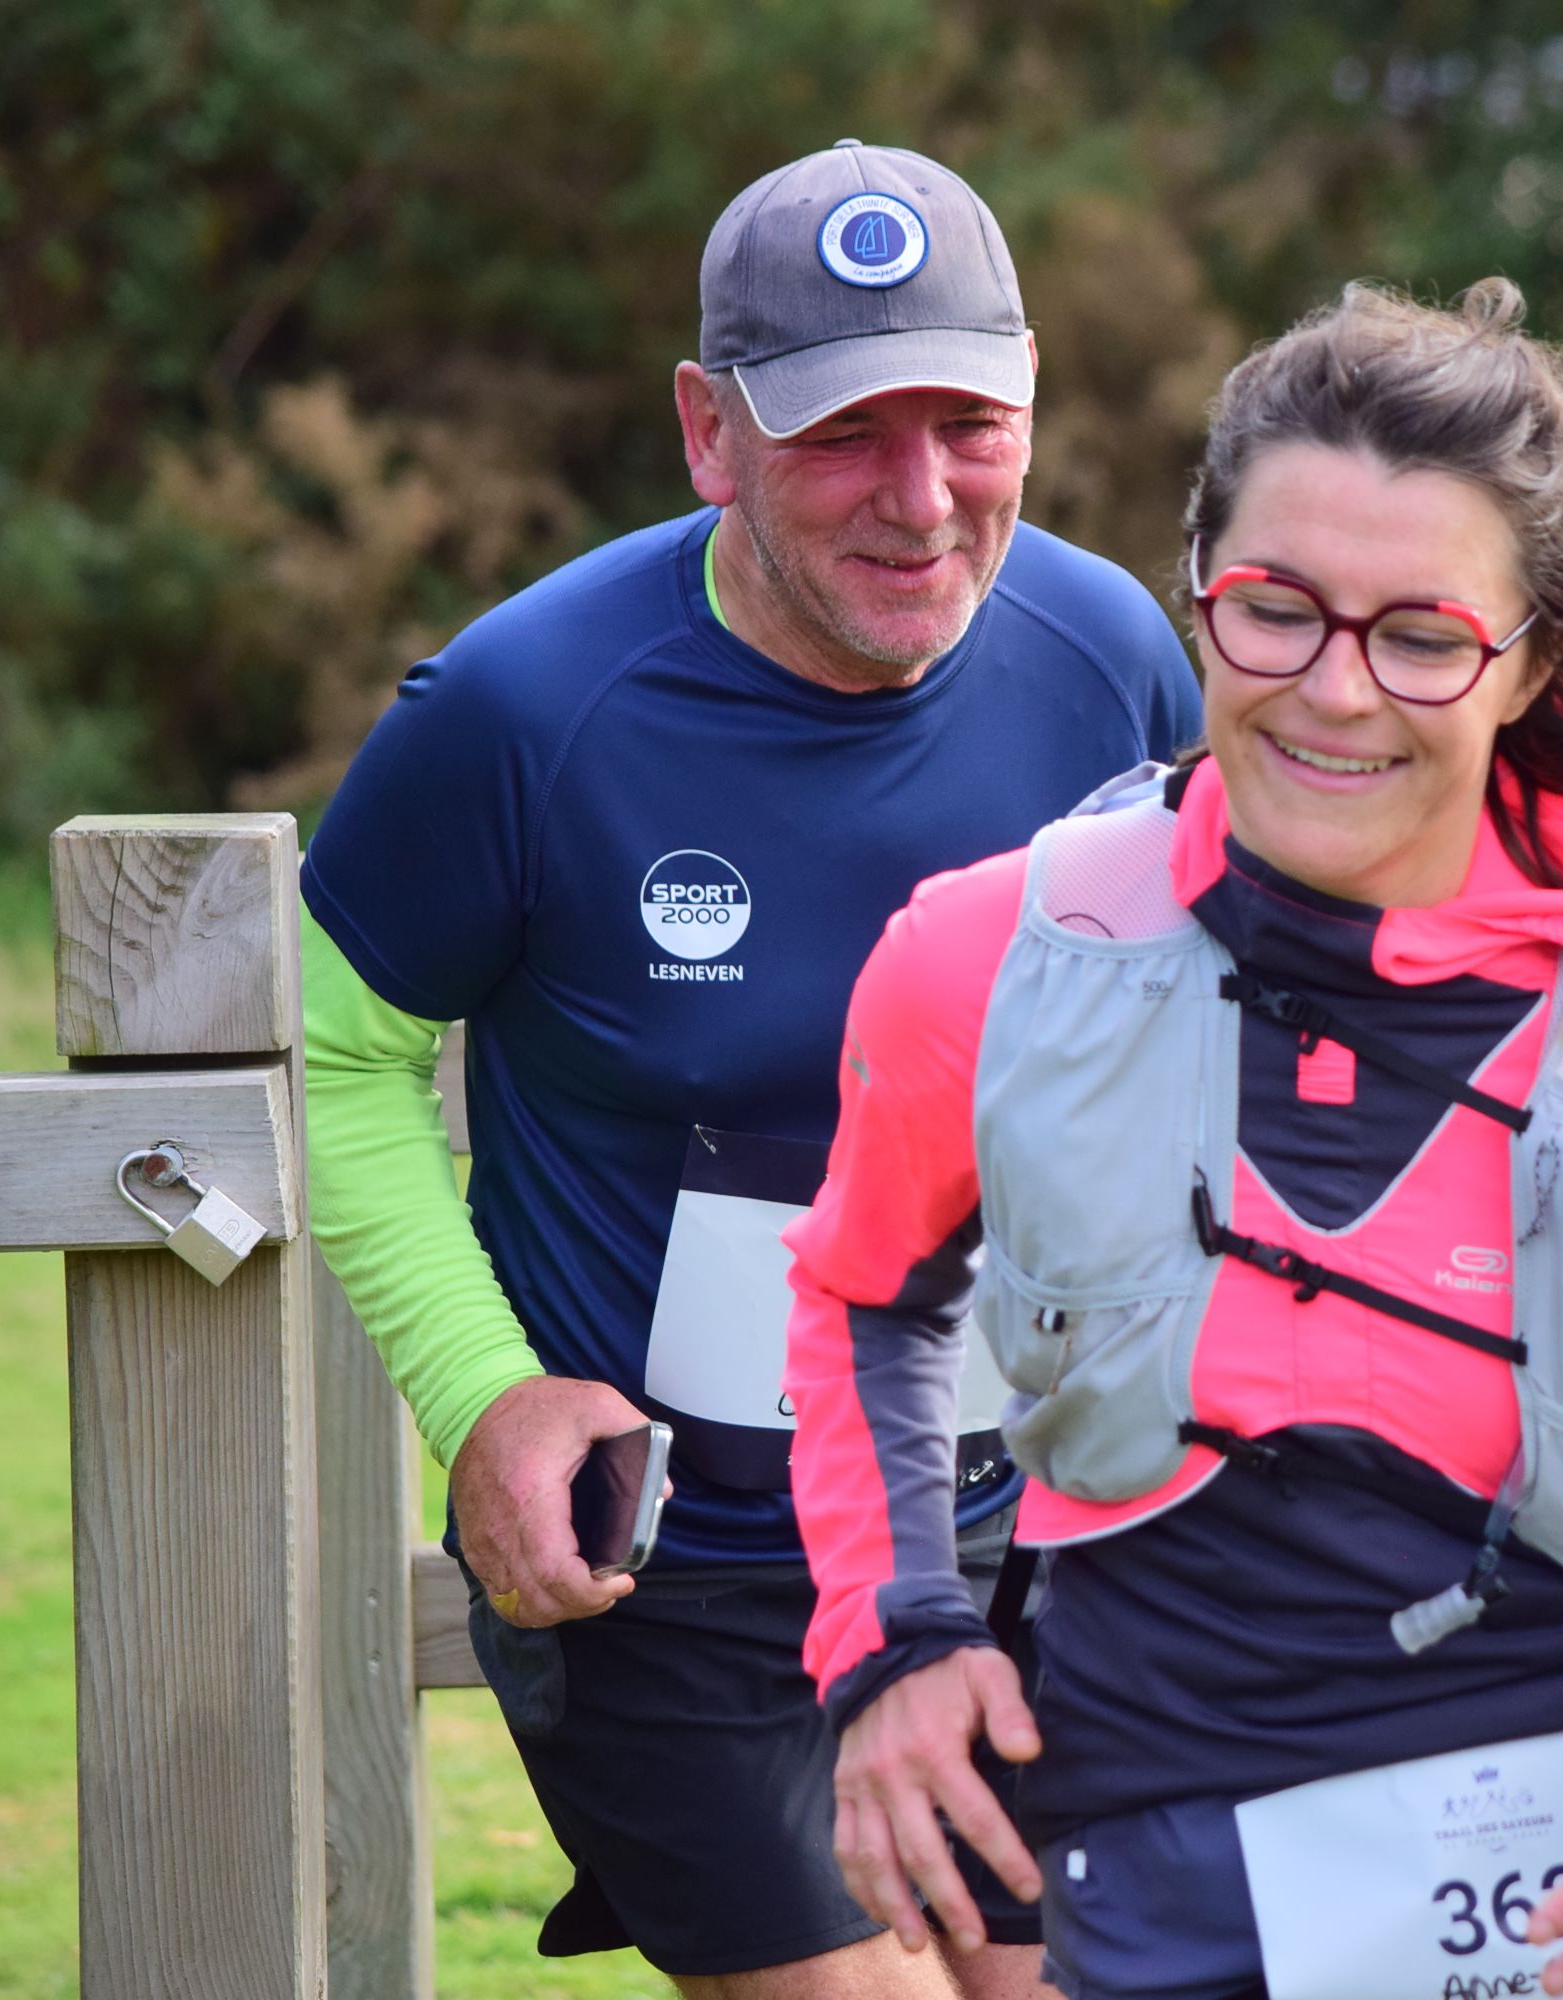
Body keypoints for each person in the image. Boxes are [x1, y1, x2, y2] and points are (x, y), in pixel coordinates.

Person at [783, 278, 1563, 2000]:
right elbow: (857, 1294)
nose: (1337, 694)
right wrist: (893, 1635)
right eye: (1276, 611)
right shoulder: (991, 960)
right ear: (1199, 595)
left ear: (1531, 661)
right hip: (1179, 1877)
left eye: (1423, 638)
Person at [301, 138, 1199, 1999]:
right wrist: (484, 1395)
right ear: (711, 433)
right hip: (683, 1580)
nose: (921, 499)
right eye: (845, 434)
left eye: (968, 425)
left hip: (1023, 1540)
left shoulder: (1112, 658)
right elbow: (336, 1062)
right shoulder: (520, 713)